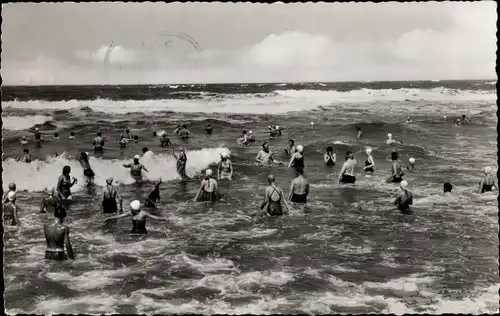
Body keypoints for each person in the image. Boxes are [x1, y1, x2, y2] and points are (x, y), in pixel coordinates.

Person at [104, 200, 168, 235]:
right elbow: (120, 216)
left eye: (131, 207)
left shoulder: (143, 213)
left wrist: (165, 219)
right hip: (133, 232)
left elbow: (155, 218)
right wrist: (109, 218)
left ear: (134, 209)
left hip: (143, 233)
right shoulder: (131, 213)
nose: (130, 208)